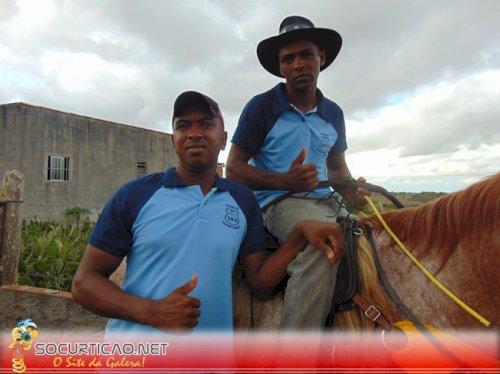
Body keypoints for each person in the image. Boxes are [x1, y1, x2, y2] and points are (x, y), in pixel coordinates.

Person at [72, 90, 345, 335]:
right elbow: (85, 283)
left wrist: (298, 234)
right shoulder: (134, 195)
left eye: (206, 124)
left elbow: (260, 282)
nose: (194, 132)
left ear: (224, 139)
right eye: (183, 125)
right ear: (174, 139)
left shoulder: (242, 200)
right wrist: (152, 312)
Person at [226, 16, 368, 330]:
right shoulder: (261, 107)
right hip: (278, 203)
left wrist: (351, 192)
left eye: (305, 54)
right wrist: (284, 181)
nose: (297, 64)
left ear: (322, 58)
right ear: (280, 67)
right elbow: (233, 168)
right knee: (322, 247)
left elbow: (336, 166)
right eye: (288, 59)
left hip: (326, 199)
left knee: (372, 239)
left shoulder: (334, 112)